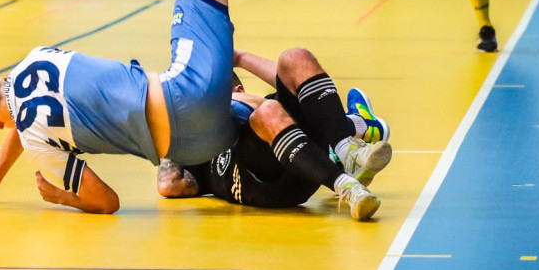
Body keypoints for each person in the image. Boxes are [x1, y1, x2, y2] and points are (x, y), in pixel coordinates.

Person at [0, 0, 360, 214]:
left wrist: (59, 196)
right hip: (186, 95)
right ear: (4, 77)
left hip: (195, 149)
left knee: (253, 111)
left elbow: (107, 201)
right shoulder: (34, 59)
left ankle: (351, 138)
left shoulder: (37, 142)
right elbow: (19, 109)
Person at [156, 47, 392, 221]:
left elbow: (283, 85)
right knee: (268, 111)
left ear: (238, 91)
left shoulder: (257, 107)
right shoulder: (195, 148)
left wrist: (240, 58)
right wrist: (176, 122)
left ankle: (346, 149)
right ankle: (356, 137)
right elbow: (168, 185)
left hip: (306, 166)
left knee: (295, 58)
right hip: (262, 186)